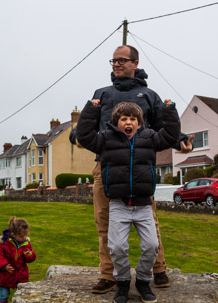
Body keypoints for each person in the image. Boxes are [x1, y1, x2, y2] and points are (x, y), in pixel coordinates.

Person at [70, 45, 193, 293]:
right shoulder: (101, 94)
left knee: (151, 222)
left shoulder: (149, 95)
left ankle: (158, 269)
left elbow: (164, 127)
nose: (116, 64)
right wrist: (76, 137)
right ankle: (108, 275)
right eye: (113, 61)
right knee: (104, 222)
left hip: (140, 169)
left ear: (135, 63)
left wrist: (181, 140)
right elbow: (85, 127)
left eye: (122, 60)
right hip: (104, 168)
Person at [76, 99, 180, 303]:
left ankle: (143, 280)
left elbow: (170, 135)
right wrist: (91, 109)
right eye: (124, 119)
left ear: (140, 123)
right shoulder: (105, 139)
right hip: (118, 205)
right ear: (116, 122)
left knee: (151, 246)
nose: (128, 122)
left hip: (143, 206)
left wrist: (169, 110)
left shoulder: (150, 138)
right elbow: (85, 136)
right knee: (116, 247)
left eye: (133, 118)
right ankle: (122, 282)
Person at [0, 216, 36, 303]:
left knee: (22, 294)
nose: (24, 238)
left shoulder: (26, 243)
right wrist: (4, 265)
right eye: (21, 236)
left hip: (20, 273)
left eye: (25, 235)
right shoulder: (4, 243)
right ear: (13, 234)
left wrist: (29, 255)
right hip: (5, 274)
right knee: (4, 295)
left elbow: (31, 259)